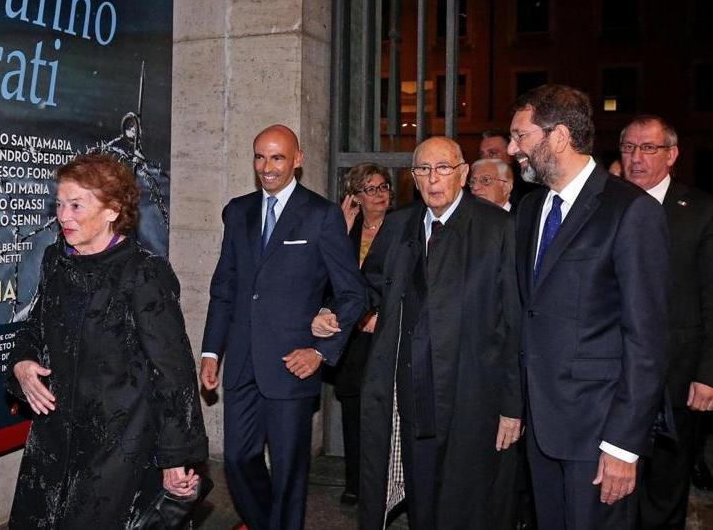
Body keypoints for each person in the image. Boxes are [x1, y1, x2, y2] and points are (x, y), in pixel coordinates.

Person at [6, 153, 208, 528]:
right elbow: (34, 326)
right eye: (59, 204)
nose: (63, 216)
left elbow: (172, 369)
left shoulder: (144, 273)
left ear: (112, 210)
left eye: (76, 205)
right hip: (53, 442)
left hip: (117, 449)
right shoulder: (55, 261)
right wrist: (22, 364)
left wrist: (174, 458)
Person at [508, 85, 669, 529]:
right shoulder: (530, 210)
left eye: (520, 136)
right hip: (542, 429)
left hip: (599, 435)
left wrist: (622, 445)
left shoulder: (630, 211)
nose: (512, 149)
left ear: (558, 136)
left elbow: (647, 340)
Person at [340, 137, 522, 529]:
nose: (433, 178)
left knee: (466, 507)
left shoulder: (497, 227)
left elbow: (513, 322)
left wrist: (513, 406)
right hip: (412, 394)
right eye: (423, 169)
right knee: (421, 504)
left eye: (443, 168)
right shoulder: (400, 224)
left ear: (462, 174)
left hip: (472, 396)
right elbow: (369, 285)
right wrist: (334, 313)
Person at [199, 124, 366, 530]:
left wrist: (321, 352)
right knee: (237, 459)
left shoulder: (321, 215)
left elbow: (353, 294)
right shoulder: (237, 211)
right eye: (260, 157)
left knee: (289, 472)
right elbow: (224, 288)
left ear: (297, 159)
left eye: (277, 157)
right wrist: (211, 351)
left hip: (294, 364)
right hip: (242, 363)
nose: (267, 167)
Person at [619, 115, 713, 529]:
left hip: (678, 377)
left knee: (665, 486)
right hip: (615, 374)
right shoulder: (606, 205)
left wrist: (707, 373)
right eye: (628, 148)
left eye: (648, 148)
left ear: (672, 155)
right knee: (615, 485)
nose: (636, 158)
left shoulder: (701, 211)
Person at [333, 162, 392, 506]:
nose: (379, 194)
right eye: (370, 189)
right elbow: (331, 279)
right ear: (355, 196)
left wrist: (381, 316)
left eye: (383, 187)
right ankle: (354, 482)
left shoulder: (401, 228)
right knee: (353, 411)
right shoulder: (346, 230)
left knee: (384, 414)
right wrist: (341, 230)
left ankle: (386, 484)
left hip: (386, 334)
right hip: (353, 339)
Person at [480, 129, 542, 206]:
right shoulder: (475, 185)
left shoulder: (527, 187)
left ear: (509, 156)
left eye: (492, 153)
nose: (485, 159)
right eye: (481, 154)